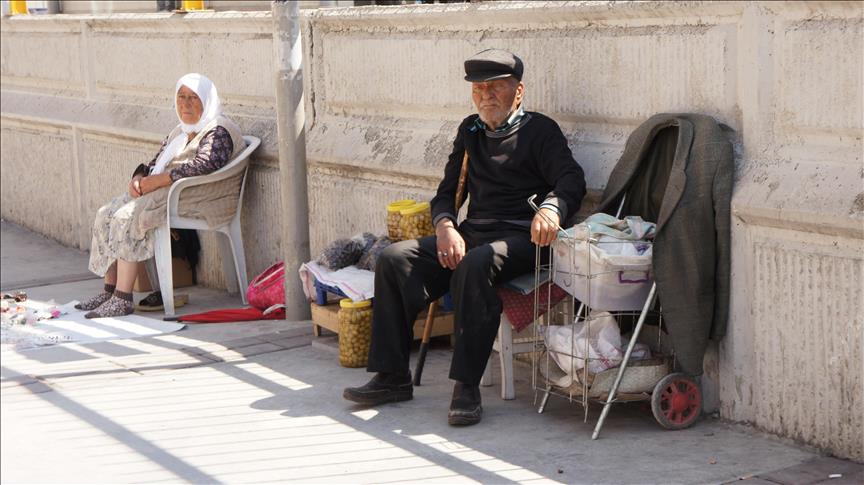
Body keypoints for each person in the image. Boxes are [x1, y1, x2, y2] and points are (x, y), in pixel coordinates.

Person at [343, 49, 587, 426]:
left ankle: (466, 387)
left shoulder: (540, 131)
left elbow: (571, 178)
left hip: (523, 239)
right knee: (394, 259)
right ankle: (392, 377)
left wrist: (552, 209)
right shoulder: (470, 131)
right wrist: (445, 227)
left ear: (518, 91)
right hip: (474, 234)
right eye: (478, 89)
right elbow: (446, 194)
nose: (486, 96)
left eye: (496, 88)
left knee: (475, 264)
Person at [75, 73, 246, 319]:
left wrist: (159, 180)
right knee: (106, 214)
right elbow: (155, 163)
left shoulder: (218, 130)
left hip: (196, 198)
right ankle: (110, 290)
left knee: (126, 218)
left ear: (207, 101)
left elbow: (206, 164)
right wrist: (138, 178)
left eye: (193, 98)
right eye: (181, 97)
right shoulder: (180, 131)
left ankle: (123, 299)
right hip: (167, 193)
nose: (185, 104)